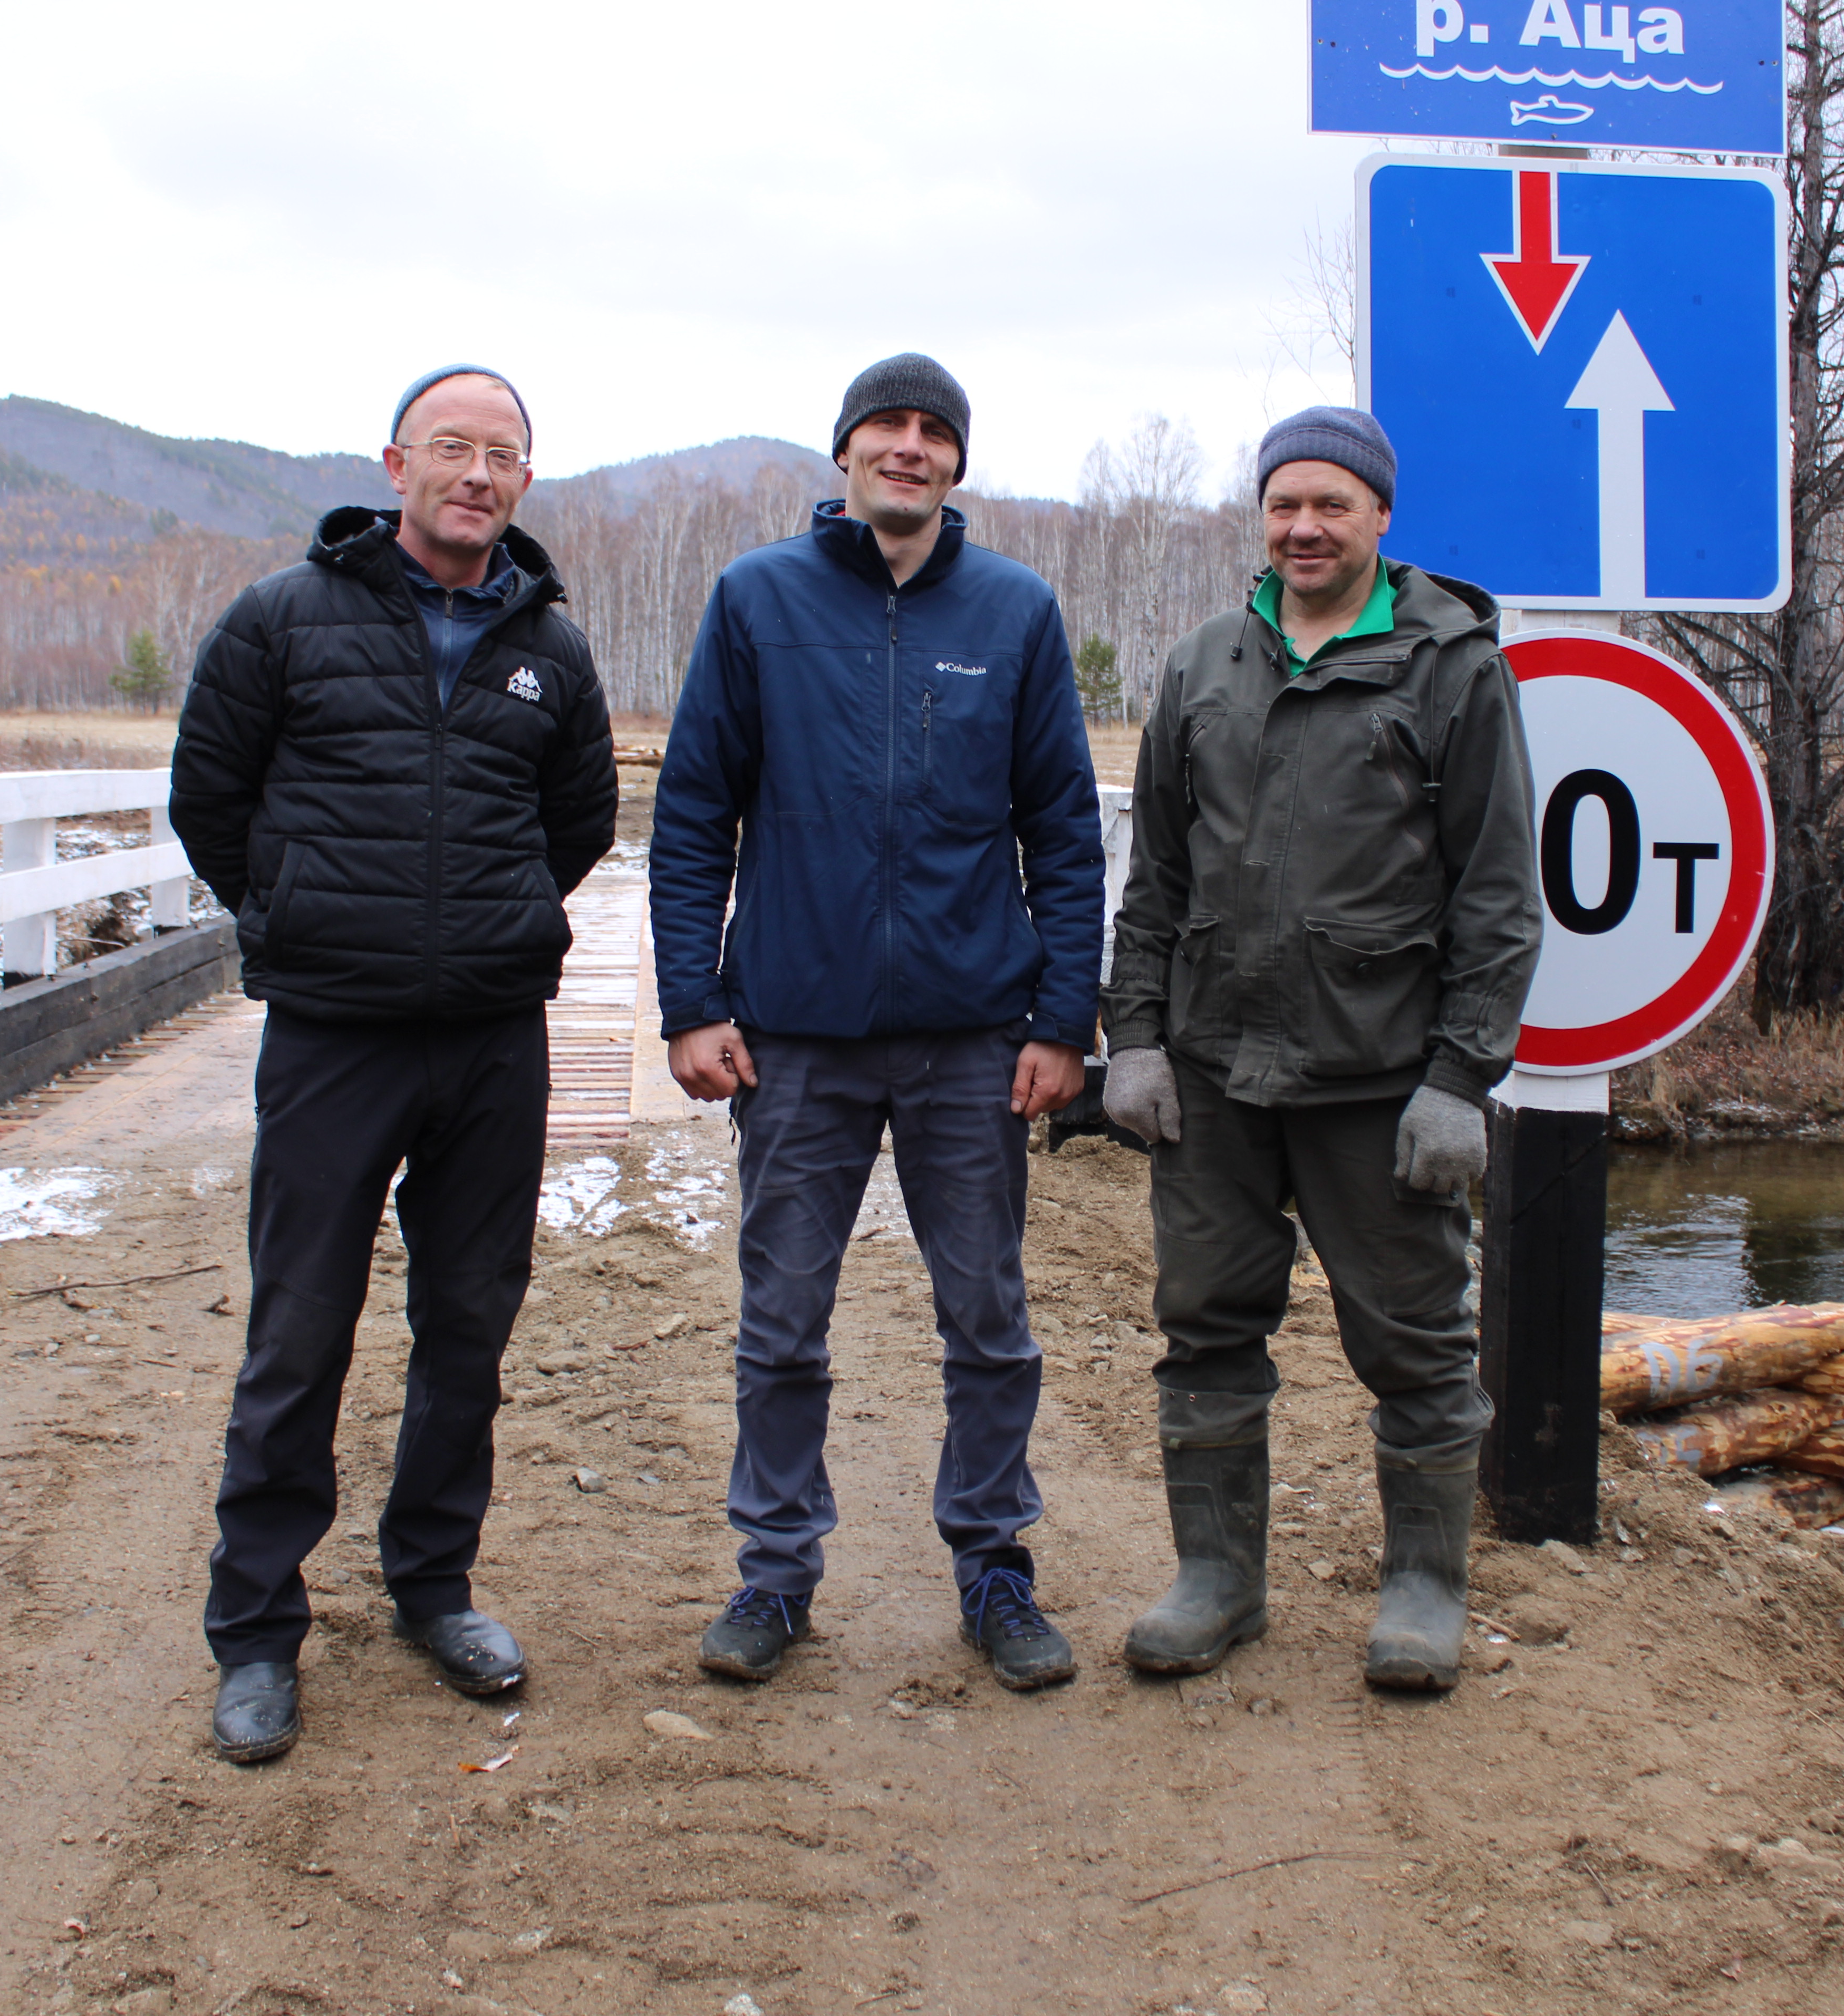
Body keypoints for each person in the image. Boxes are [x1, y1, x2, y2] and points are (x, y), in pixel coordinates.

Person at [169, 364, 618, 1763]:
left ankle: (434, 1588)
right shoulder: (283, 621)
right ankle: (256, 1632)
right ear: (395, 462)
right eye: (452, 449)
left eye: (503, 455)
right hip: (333, 1036)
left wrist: (491, 924)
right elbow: (211, 797)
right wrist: (300, 913)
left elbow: (581, 816)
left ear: (525, 482)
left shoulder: (551, 643)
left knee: (467, 1331)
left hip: (490, 1039)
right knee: (298, 1333)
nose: (476, 475)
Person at [650, 353, 1105, 1692]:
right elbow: (691, 816)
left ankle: (994, 1566)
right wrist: (693, 1000)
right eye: (884, 428)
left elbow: (1064, 833)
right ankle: (774, 1573)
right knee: (781, 1319)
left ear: (956, 462)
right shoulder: (758, 601)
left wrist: (1061, 1017)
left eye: (932, 431)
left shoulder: (1014, 611)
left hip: (973, 1034)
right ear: (843, 453)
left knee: (989, 1318)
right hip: (795, 1033)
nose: (907, 448)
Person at [1100, 405, 1541, 1693]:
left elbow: (1498, 894)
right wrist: (1133, 1037)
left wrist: (1463, 1075)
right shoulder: (1203, 663)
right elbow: (1157, 881)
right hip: (1216, 1078)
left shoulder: (1453, 664)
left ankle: (1424, 1586)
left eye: (1331, 505)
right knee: (1206, 1329)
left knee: (1415, 1344)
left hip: (1380, 1081)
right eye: (1285, 503)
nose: (1304, 526)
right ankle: (1219, 1579)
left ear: (1379, 517)